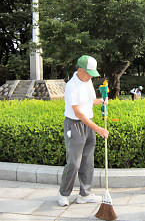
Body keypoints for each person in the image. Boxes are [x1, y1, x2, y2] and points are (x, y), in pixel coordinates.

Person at [58, 55, 109, 207]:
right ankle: (63, 193)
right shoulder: (71, 85)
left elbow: (89, 101)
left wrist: (100, 101)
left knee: (87, 161)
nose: (89, 77)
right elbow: (78, 112)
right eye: (88, 73)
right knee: (74, 162)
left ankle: (85, 194)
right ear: (80, 70)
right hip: (74, 124)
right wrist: (98, 128)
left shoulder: (88, 81)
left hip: (88, 123)